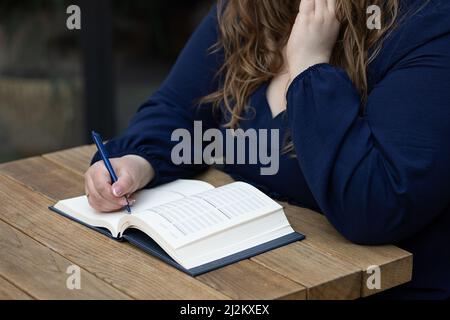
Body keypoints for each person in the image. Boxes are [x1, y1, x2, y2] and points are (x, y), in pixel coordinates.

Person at [85, 0, 450, 299]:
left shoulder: (426, 24)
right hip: (242, 278)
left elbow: (377, 203)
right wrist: (138, 160)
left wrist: (310, 69)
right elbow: (178, 108)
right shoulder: (249, 8)